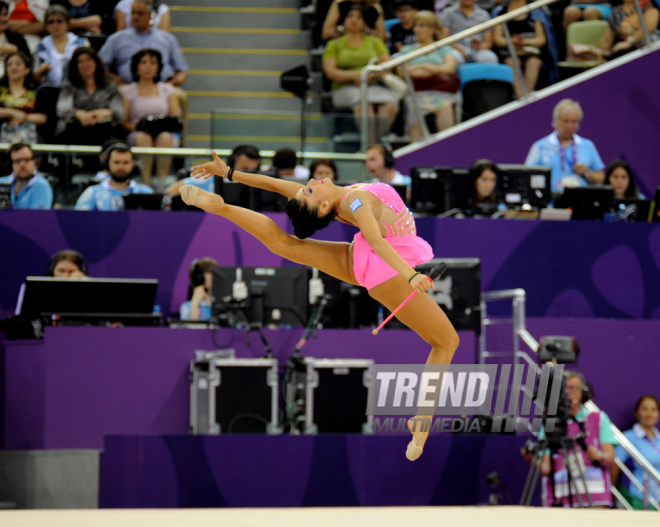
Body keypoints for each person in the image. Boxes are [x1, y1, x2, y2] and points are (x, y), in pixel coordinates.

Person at [183, 151, 460, 461]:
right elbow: (378, 242)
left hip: (361, 259)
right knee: (447, 341)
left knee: (286, 244)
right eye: (310, 189)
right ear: (324, 206)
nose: (311, 181)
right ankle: (421, 425)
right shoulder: (356, 201)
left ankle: (222, 209)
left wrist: (231, 173)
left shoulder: (335, 200)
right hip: (386, 266)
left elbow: (277, 185)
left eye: (308, 187)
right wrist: (411, 276)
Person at [526, 371, 617, 507]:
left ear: (583, 392)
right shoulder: (550, 423)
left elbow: (610, 457)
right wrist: (532, 459)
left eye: (573, 388)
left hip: (595, 498)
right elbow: (545, 468)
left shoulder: (599, 419)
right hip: (561, 499)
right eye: (563, 389)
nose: (568, 393)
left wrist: (599, 455)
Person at [322, 4, 399, 143]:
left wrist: (369, 76)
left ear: (365, 23)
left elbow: (387, 65)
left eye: (359, 17)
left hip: (374, 85)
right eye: (350, 16)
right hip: (345, 88)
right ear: (343, 20)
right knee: (365, 106)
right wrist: (358, 76)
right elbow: (330, 72)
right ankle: (371, 147)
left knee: (389, 106)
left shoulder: (375, 41)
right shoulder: (334, 44)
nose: (354, 20)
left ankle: (374, 143)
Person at [121, 48, 180, 189]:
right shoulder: (128, 91)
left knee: (165, 137)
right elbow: (124, 122)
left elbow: (176, 118)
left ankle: (161, 184)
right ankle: (146, 184)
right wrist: (143, 126)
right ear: (136, 66)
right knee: (143, 137)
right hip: (138, 133)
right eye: (144, 62)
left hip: (165, 133)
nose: (148, 67)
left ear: (158, 67)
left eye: (153, 63)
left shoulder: (167, 89)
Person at [98, 0, 188, 87]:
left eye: (140, 13)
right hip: (126, 88)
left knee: (178, 96)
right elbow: (99, 65)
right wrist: (115, 80)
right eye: (133, 13)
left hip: (162, 89)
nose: (135, 17)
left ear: (150, 16)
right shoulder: (117, 39)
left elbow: (182, 70)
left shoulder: (167, 39)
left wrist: (174, 82)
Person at [399, 10, 458, 141]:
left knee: (445, 106)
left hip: (439, 91)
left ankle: (446, 146)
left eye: (422, 26)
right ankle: (414, 149)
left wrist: (420, 67)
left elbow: (449, 68)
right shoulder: (407, 50)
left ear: (432, 29)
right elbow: (403, 72)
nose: (417, 29)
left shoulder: (443, 48)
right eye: (415, 26)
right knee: (413, 107)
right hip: (416, 92)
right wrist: (433, 68)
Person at [525, 99, 605, 192]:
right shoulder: (540, 147)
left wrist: (587, 173)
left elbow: (601, 178)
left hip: (580, 202)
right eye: (565, 121)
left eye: (574, 122)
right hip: (551, 202)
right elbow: (527, 176)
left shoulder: (588, 146)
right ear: (556, 121)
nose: (569, 126)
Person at [55, 47, 125, 146]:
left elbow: (120, 113)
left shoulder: (110, 86)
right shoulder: (68, 86)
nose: (85, 65)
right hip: (74, 130)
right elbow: (62, 109)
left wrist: (106, 112)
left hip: (104, 131)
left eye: (89, 60)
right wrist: (78, 114)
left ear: (96, 62)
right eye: (80, 62)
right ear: (75, 66)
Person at [611, 394, 660, 510]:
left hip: (657, 497)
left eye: (653, 410)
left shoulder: (659, 438)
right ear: (637, 413)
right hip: (636, 498)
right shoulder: (627, 438)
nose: (649, 414)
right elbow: (614, 466)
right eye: (644, 409)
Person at [492, 0, 547, 99]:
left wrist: (524, 41)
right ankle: (521, 98)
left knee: (534, 62)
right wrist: (512, 41)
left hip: (530, 50)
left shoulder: (535, 11)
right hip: (510, 51)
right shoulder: (500, 12)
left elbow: (541, 39)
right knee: (512, 62)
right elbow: (498, 39)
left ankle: (525, 98)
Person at [74, 143, 153, 210]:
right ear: (108, 163)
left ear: (133, 164)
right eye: (116, 162)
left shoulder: (145, 192)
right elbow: (79, 221)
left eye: (125, 163)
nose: (121, 167)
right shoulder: (92, 193)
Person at [165, 144, 262, 196]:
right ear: (231, 165)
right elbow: (170, 191)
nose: (249, 174)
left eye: (253, 170)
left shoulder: (262, 185)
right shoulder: (211, 178)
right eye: (244, 169)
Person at [35, 6, 90, 88]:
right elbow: (35, 77)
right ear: (46, 25)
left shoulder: (81, 43)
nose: (55, 25)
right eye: (51, 22)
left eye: (59, 21)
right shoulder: (41, 46)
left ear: (67, 23)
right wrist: (40, 72)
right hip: (51, 91)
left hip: (79, 88)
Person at [0, 51, 47, 141]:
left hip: (29, 134)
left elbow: (43, 118)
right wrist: (13, 113)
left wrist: (24, 118)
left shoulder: (36, 92)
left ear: (27, 69)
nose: (13, 67)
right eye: (9, 64)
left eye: (18, 64)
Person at [439, 0, 498, 66]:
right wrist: (457, 47)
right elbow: (443, 38)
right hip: (455, 48)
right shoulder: (448, 13)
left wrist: (480, 46)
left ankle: (483, 76)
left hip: (477, 50)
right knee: (454, 57)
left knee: (490, 57)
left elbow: (488, 42)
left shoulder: (484, 15)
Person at [0, 142, 52, 209]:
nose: (22, 165)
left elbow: (38, 218)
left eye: (26, 160)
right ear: (11, 165)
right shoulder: (1, 183)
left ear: (34, 162)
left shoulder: (42, 186)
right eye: (17, 161)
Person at [322, 0, 387, 42]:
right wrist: (348, 31)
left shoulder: (374, 8)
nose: (354, 19)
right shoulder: (339, 4)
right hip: (342, 44)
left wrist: (363, 33)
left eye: (359, 17)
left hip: (368, 46)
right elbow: (326, 33)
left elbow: (382, 37)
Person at [180, 257, 218, 321]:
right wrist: (195, 304)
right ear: (200, 277)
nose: (213, 276)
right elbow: (190, 329)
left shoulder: (221, 305)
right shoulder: (187, 307)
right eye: (209, 273)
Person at [0, 1, 30, 79]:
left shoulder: (16, 38)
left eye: (5, 15)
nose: (2, 19)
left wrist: (15, 51)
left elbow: (28, 62)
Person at [49, 0, 116, 35]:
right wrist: (88, 25)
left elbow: (105, 21)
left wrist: (68, 24)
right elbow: (53, 23)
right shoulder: (57, 1)